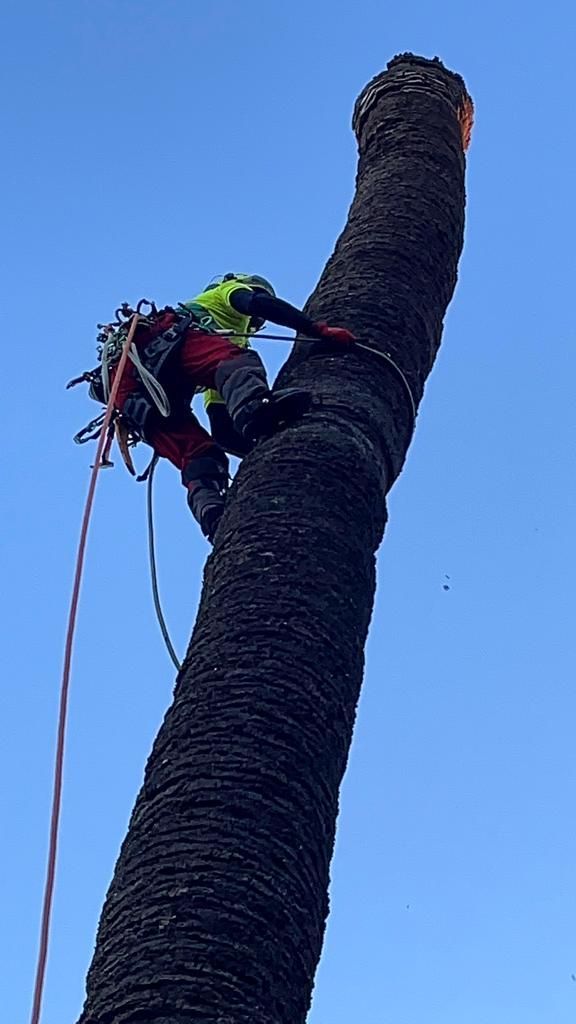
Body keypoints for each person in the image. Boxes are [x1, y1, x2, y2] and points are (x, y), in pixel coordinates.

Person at [112, 273, 355, 542]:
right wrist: (317, 330)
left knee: (199, 455)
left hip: (128, 389)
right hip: (163, 345)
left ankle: (213, 515)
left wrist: (264, 449)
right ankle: (257, 408)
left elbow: (223, 430)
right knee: (240, 362)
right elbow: (258, 305)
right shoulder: (223, 294)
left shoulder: (216, 357)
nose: (255, 324)